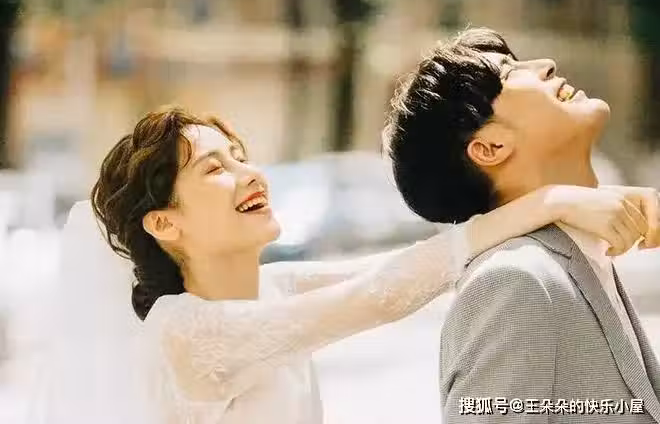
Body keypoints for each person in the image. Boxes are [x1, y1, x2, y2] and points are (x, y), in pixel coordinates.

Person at [47, 105, 656, 424]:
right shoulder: (181, 334)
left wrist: (578, 212)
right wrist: (549, 200)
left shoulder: (274, 291)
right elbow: (382, 294)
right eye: (215, 168)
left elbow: (407, 268)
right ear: (164, 224)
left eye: (240, 155)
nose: (250, 173)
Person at [385, 27, 660, 423]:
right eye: (509, 72)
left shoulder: (577, 258)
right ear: (491, 147)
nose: (546, 64)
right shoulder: (514, 282)